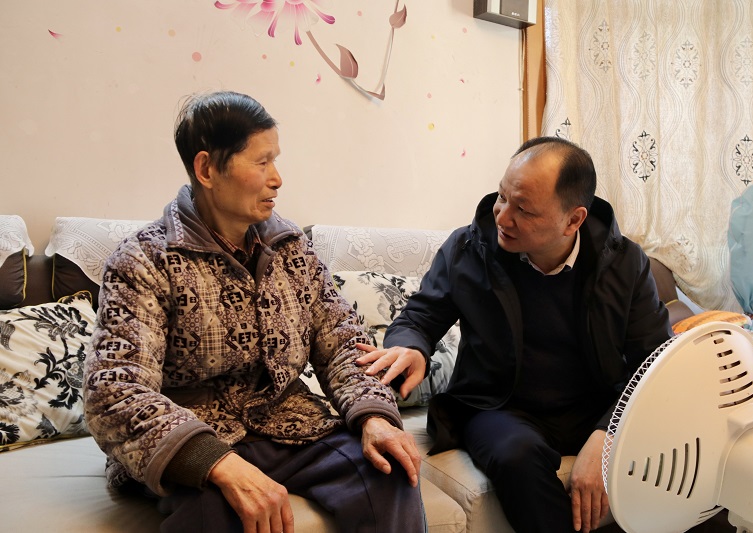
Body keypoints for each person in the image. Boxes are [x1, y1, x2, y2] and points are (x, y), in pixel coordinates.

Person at [83, 91, 426, 533]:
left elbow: (343, 343)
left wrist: (374, 416)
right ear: (207, 169)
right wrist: (218, 463)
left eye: (275, 160)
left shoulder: (291, 249)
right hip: (194, 440)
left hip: (290, 424)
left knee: (391, 471)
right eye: (262, 162)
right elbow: (113, 390)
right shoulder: (144, 261)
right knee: (214, 516)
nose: (277, 179)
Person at [356, 136, 672, 532]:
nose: (503, 217)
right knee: (515, 456)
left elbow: (654, 362)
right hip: (497, 407)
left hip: (594, 407)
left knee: (687, 434)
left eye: (523, 209)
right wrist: (411, 347)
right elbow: (419, 317)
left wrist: (607, 435)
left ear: (573, 220)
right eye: (502, 197)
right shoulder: (470, 247)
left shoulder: (624, 263)